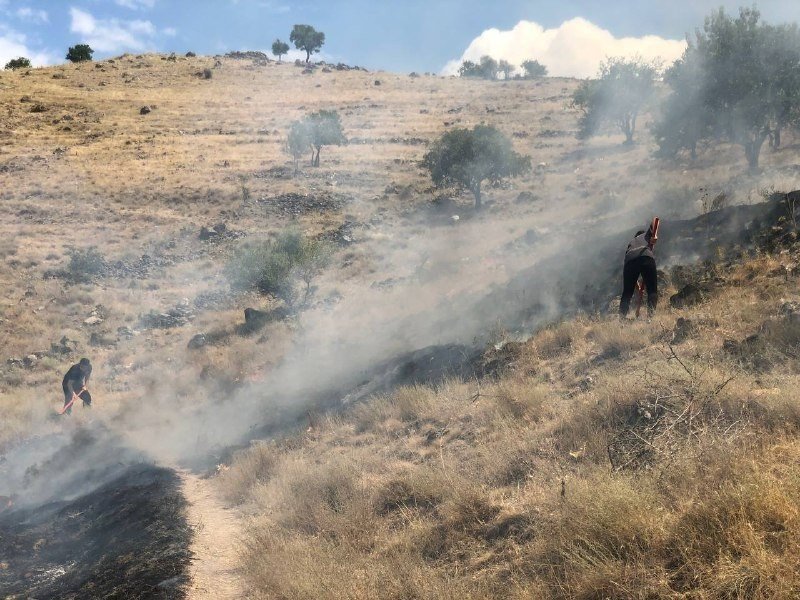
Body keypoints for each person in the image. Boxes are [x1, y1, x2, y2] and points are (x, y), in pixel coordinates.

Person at [620, 225, 658, 319]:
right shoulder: (646, 235)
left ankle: (621, 319)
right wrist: (654, 236)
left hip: (630, 261)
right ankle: (650, 318)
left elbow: (632, 277)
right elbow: (654, 221)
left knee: (627, 293)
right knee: (652, 290)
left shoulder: (631, 243)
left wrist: (638, 288)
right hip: (646, 257)